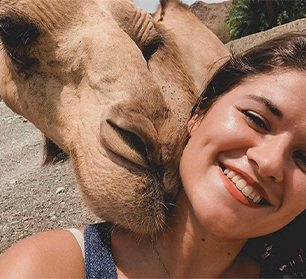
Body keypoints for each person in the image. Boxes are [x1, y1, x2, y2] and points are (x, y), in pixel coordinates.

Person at [1, 33, 306, 279]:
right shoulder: (43, 267)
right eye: (255, 118)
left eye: (304, 157)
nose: (269, 162)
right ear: (199, 113)